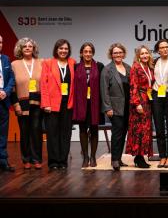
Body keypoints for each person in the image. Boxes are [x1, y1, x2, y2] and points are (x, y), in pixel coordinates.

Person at [41, 39, 76, 170]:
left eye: (66, 49)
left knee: (66, 133)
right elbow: (43, 85)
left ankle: (63, 161)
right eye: (61, 48)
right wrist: (46, 104)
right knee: (53, 134)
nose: (63, 51)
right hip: (52, 105)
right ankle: (53, 162)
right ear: (56, 50)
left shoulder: (72, 63)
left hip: (68, 104)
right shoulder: (48, 63)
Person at [11, 37, 43, 169]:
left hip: (38, 102)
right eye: (25, 47)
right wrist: (16, 104)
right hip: (21, 103)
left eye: (30, 46)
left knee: (36, 131)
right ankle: (26, 159)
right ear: (20, 49)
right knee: (24, 132)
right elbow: (12, 86)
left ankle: (37, 159)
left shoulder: (41, 62)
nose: (28, 48)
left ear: (34, 49)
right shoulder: (14, 64)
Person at [73, 42, 104, 168]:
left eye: (90, 51)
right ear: (81, 53)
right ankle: (85, 157)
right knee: (82, 130)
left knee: (94, 130)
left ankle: (93, 157)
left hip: (95, 104)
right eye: (85, 51)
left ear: (93, 53)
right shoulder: (75, 67)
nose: (88, 54)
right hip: (81, 103)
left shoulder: (99, 66)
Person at [101, 43, 131, 171]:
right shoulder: (107, 69)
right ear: (111, 55)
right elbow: (104, 91)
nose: (118, 55)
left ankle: (118, 158)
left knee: (123, 133)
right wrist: (107, 108)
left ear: (123, 54)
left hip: (128, 107)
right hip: (115, 108)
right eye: (115, 53)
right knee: (117, 134)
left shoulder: (128, 68)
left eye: (120, 52)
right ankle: (114, 160)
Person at [126, 45, 154, 168]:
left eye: (146, 53)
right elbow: (133, 87)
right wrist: (137, 103)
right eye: (142, 54)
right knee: (139, 130)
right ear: (138, 56)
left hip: (148, 101)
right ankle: (138, 157)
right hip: (139, 103)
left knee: (146, 130)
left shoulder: (149, 67)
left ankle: (141, 156)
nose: (144, 56)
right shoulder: (135, 67)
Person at [151, 39, 168, 168]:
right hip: (157, 95)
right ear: (158, 50)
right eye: (162, 47)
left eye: (167, 47)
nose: (165, 49)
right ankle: (162, 156)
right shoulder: (153, 62)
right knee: (159, 127)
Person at [0, 35, 16, 172]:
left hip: (3, 101)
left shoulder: (5, 59)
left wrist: (5, 91)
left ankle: (3, 160)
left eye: (0, 42)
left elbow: (11, 78)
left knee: (3, 133)